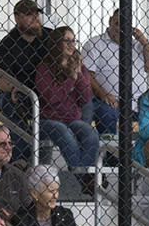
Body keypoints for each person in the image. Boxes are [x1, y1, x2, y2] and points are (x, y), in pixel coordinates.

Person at [34, 27, 100, 182]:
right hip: (48, 120)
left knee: (90, 133)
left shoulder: (78, 66)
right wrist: (71, 78)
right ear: (58, 43)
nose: (72, 45)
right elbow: (51, 97)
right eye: (67, 41)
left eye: (73, 41)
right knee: (63, 132)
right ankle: (85, 178)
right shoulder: (44, 67)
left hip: (72, 119)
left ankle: (82, 175)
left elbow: (86, 98)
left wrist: (78, 74)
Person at [82, 8, 149, 135]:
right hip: (108, 101)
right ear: (110, 21)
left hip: (138, 103)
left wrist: (143, 41)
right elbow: (86, 75)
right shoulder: (95, 44)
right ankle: (113, 152)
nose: (120, 29)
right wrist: (104, 94)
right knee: (105, 111)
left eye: (125, 25)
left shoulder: (137, 45)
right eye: (117, 24)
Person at [0, 0, 52, 160]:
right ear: (17, 18)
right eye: (29, 15)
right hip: (17, 93)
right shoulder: (7, 45)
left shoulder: (50, 37)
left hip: (44, 92)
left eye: (37, 14)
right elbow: (1, 80)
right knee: (11, 103)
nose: (35, 18)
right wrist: (14, 88)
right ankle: (21, 160)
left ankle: (40, 162)